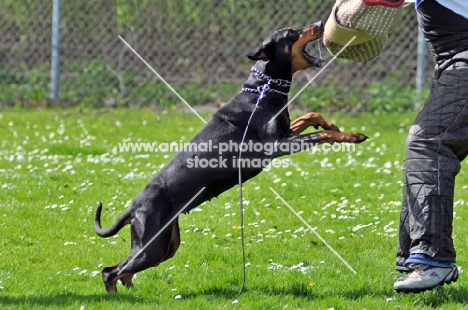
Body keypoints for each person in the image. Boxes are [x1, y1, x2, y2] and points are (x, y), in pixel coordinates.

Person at [394, 0, 468, 293]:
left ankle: (431, 259)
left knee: (428, 144)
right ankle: (415, 257)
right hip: (452, 61)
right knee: (425, 146)